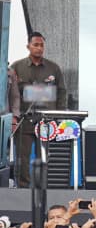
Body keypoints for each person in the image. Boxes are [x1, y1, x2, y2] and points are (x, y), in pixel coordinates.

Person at [11, 31, 66, 187]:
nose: (39, 48)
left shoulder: (53, 68)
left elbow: (61, 92)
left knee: (45, 157)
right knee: (22, 159)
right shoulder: (17, 67)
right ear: (28, 46)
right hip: (24, 121)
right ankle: (23, 190)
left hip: (47, 122)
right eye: (36, 45)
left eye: (42, 45)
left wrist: (59, 116)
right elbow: (10, 93)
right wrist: (12, 116)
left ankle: (43, 189)